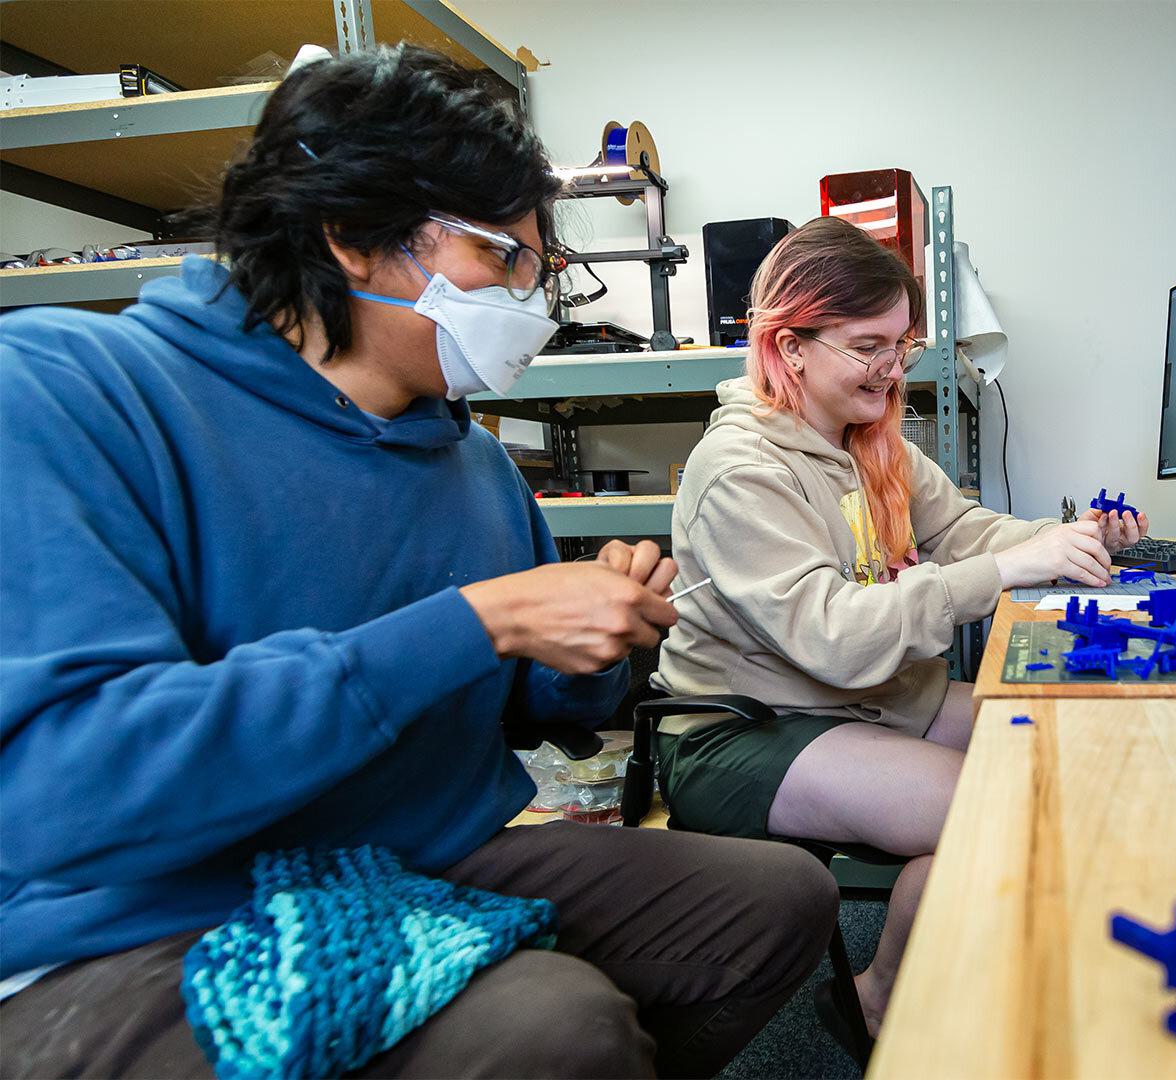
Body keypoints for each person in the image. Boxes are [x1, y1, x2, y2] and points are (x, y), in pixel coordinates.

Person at [0, 46, 835, 1079]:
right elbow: (70, 791)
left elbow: (542, 711)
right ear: (351, 237)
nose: (532, 303)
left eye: (543, 269)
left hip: (426, 854)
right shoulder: (73, 393)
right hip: (151, 911)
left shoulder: (473, 460)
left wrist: (594, 643)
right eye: (506, 261)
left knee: (775, 900)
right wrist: (476, 623)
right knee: (551, 1025)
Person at [652, 216, 1148, 1040]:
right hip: (741, 728)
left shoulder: (868, 442)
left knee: (1052, 741)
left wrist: (1066, 539)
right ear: (791, 345)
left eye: (900, 345)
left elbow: (964, 535)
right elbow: (833, 637)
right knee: (992, 804)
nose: (890, 369)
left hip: (860, 699)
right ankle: (880, 998)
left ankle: (928, 964)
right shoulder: (741, 468)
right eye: (867, 345)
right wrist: (1004, 573)